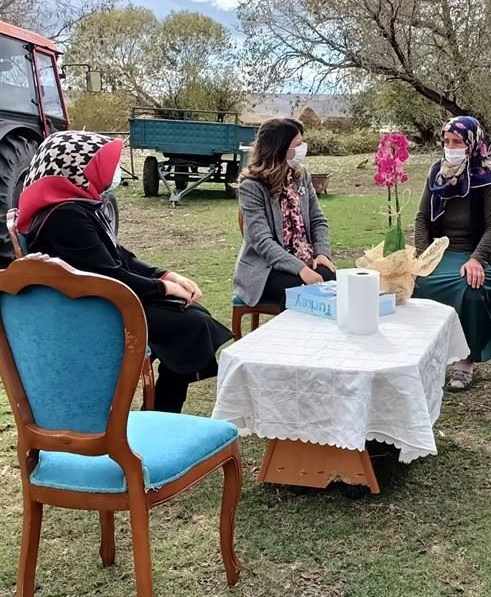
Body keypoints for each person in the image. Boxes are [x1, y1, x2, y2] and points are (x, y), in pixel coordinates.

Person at [18, 130, 233, 413]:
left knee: (195, 317)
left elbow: (119, 256)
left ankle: (163, 408)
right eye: (102, 164)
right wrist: (164, 289)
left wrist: (165, 275)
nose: (110, 172)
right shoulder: (65, 216)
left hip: (101, 299)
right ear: (77, 169)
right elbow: (111, 276)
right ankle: (163, 412)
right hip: (92, 311)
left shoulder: (76, 206)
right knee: (192, 325)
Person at [413, 116, 491, 391]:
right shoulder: (436, 172)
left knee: (470, 285)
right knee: (413, 282)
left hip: (480, 253)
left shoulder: (490, 175)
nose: (451, 146)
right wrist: (424, 257)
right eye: (446, 141)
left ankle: (465, 361)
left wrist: (477, 259)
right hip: (441, 251)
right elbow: (421, 218)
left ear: (472, 143)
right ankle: (425, 355)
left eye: (457, 141)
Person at [234, 118, 335, 308]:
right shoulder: (251, 186)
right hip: (266, 269)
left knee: (330, 279)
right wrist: (300, 269)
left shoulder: (301, 175)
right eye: (297, 145)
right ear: (279, 148)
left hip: (305, 256)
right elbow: (261, 242)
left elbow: (317, 220)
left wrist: (322, 253)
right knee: (302, 292)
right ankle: (290, 336)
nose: (302, 148)